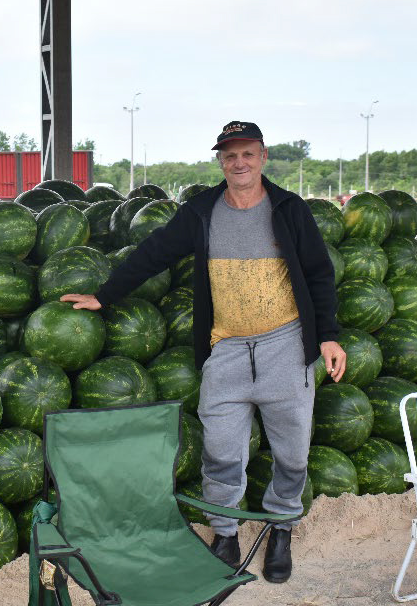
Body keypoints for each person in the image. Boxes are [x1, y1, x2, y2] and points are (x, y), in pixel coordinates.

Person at [61, 120, 345, 584]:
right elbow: (153, 252)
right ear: (220, 160)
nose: (240, 162)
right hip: (226, 350)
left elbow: (318, 274)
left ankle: (281, 529)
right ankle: (226, 532)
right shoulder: (202, 212)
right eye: (230, 155)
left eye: (247, 153)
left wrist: (328, 335)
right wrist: (105, 294)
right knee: (221, 453)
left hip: (285, 348)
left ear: (263, 156)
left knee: (292, 453)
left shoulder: (290, 210)